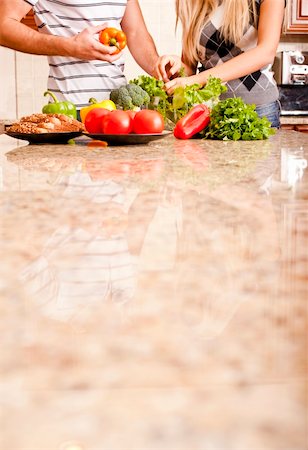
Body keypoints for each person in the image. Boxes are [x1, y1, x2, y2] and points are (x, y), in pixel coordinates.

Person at [0, 0, 159, 111]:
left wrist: (158, 67)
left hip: (119, 110)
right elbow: (3, 26)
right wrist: (70, 47)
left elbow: (135, 33)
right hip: (71, 111)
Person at [154, 0, 286, 128]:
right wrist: (176, 66)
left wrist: (197, 80)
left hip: (258, 111)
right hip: (208, 113)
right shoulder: (192, 2)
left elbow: (265, 52)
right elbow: (189, 68)